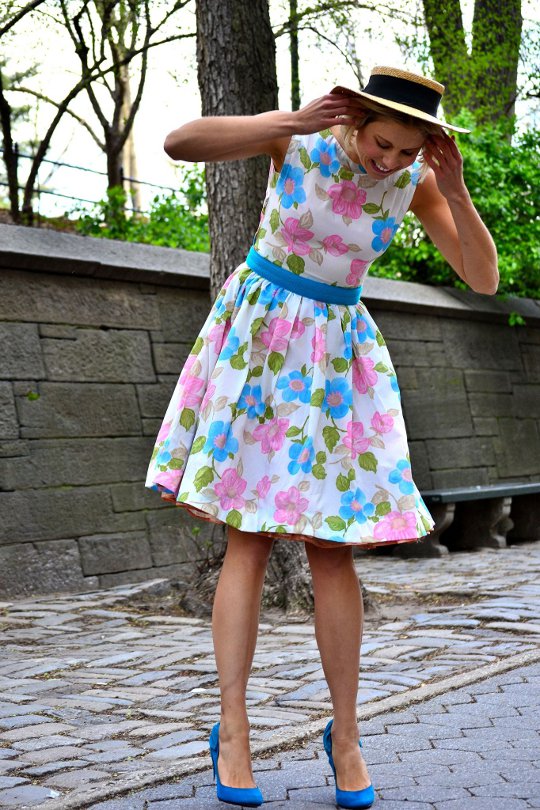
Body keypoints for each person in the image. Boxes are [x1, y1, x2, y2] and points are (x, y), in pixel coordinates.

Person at [146, 66, 498, 808]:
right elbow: (180, 143)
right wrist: (293, 122)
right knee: (248, 538)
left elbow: (483, 279)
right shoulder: (299, 141)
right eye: (383, 144)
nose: (391, 162)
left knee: (334, 552)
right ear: (357, 119)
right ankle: (233, 730)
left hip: (339, 364)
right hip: (265, 345)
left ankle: (346, 737)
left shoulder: (415, 185)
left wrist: (456, 192)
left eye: (409, 151)